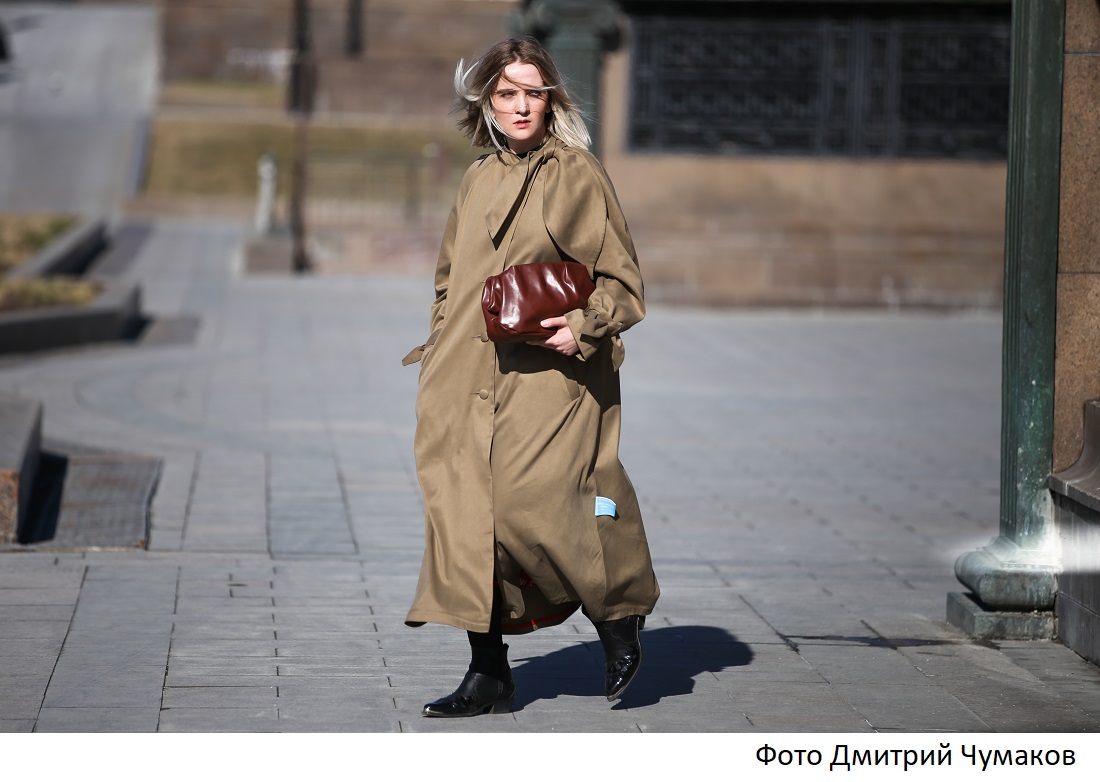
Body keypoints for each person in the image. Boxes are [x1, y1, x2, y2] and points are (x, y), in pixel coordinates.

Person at [401, 36, 659, 718]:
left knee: (538, 501)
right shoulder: (477, 177)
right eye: (507, 92)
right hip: (461, 375)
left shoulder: (577, 173)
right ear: (487, 100)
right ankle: (489, 674)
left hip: (551, 377)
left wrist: (578, 328)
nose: (521, 105)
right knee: (464, 518)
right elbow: (448, 280)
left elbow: (624, 284)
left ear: (552, 100)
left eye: (533, 92)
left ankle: (618, 615)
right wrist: (439, 344)